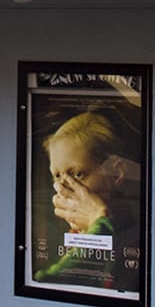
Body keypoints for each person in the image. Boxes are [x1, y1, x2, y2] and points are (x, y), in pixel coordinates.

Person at [33, 109, 142, 288]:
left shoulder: (135, 236)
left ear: (117, 173)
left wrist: (99, 222)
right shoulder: (46, 236)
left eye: (78, 174)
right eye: (57, 176)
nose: (63, 188)